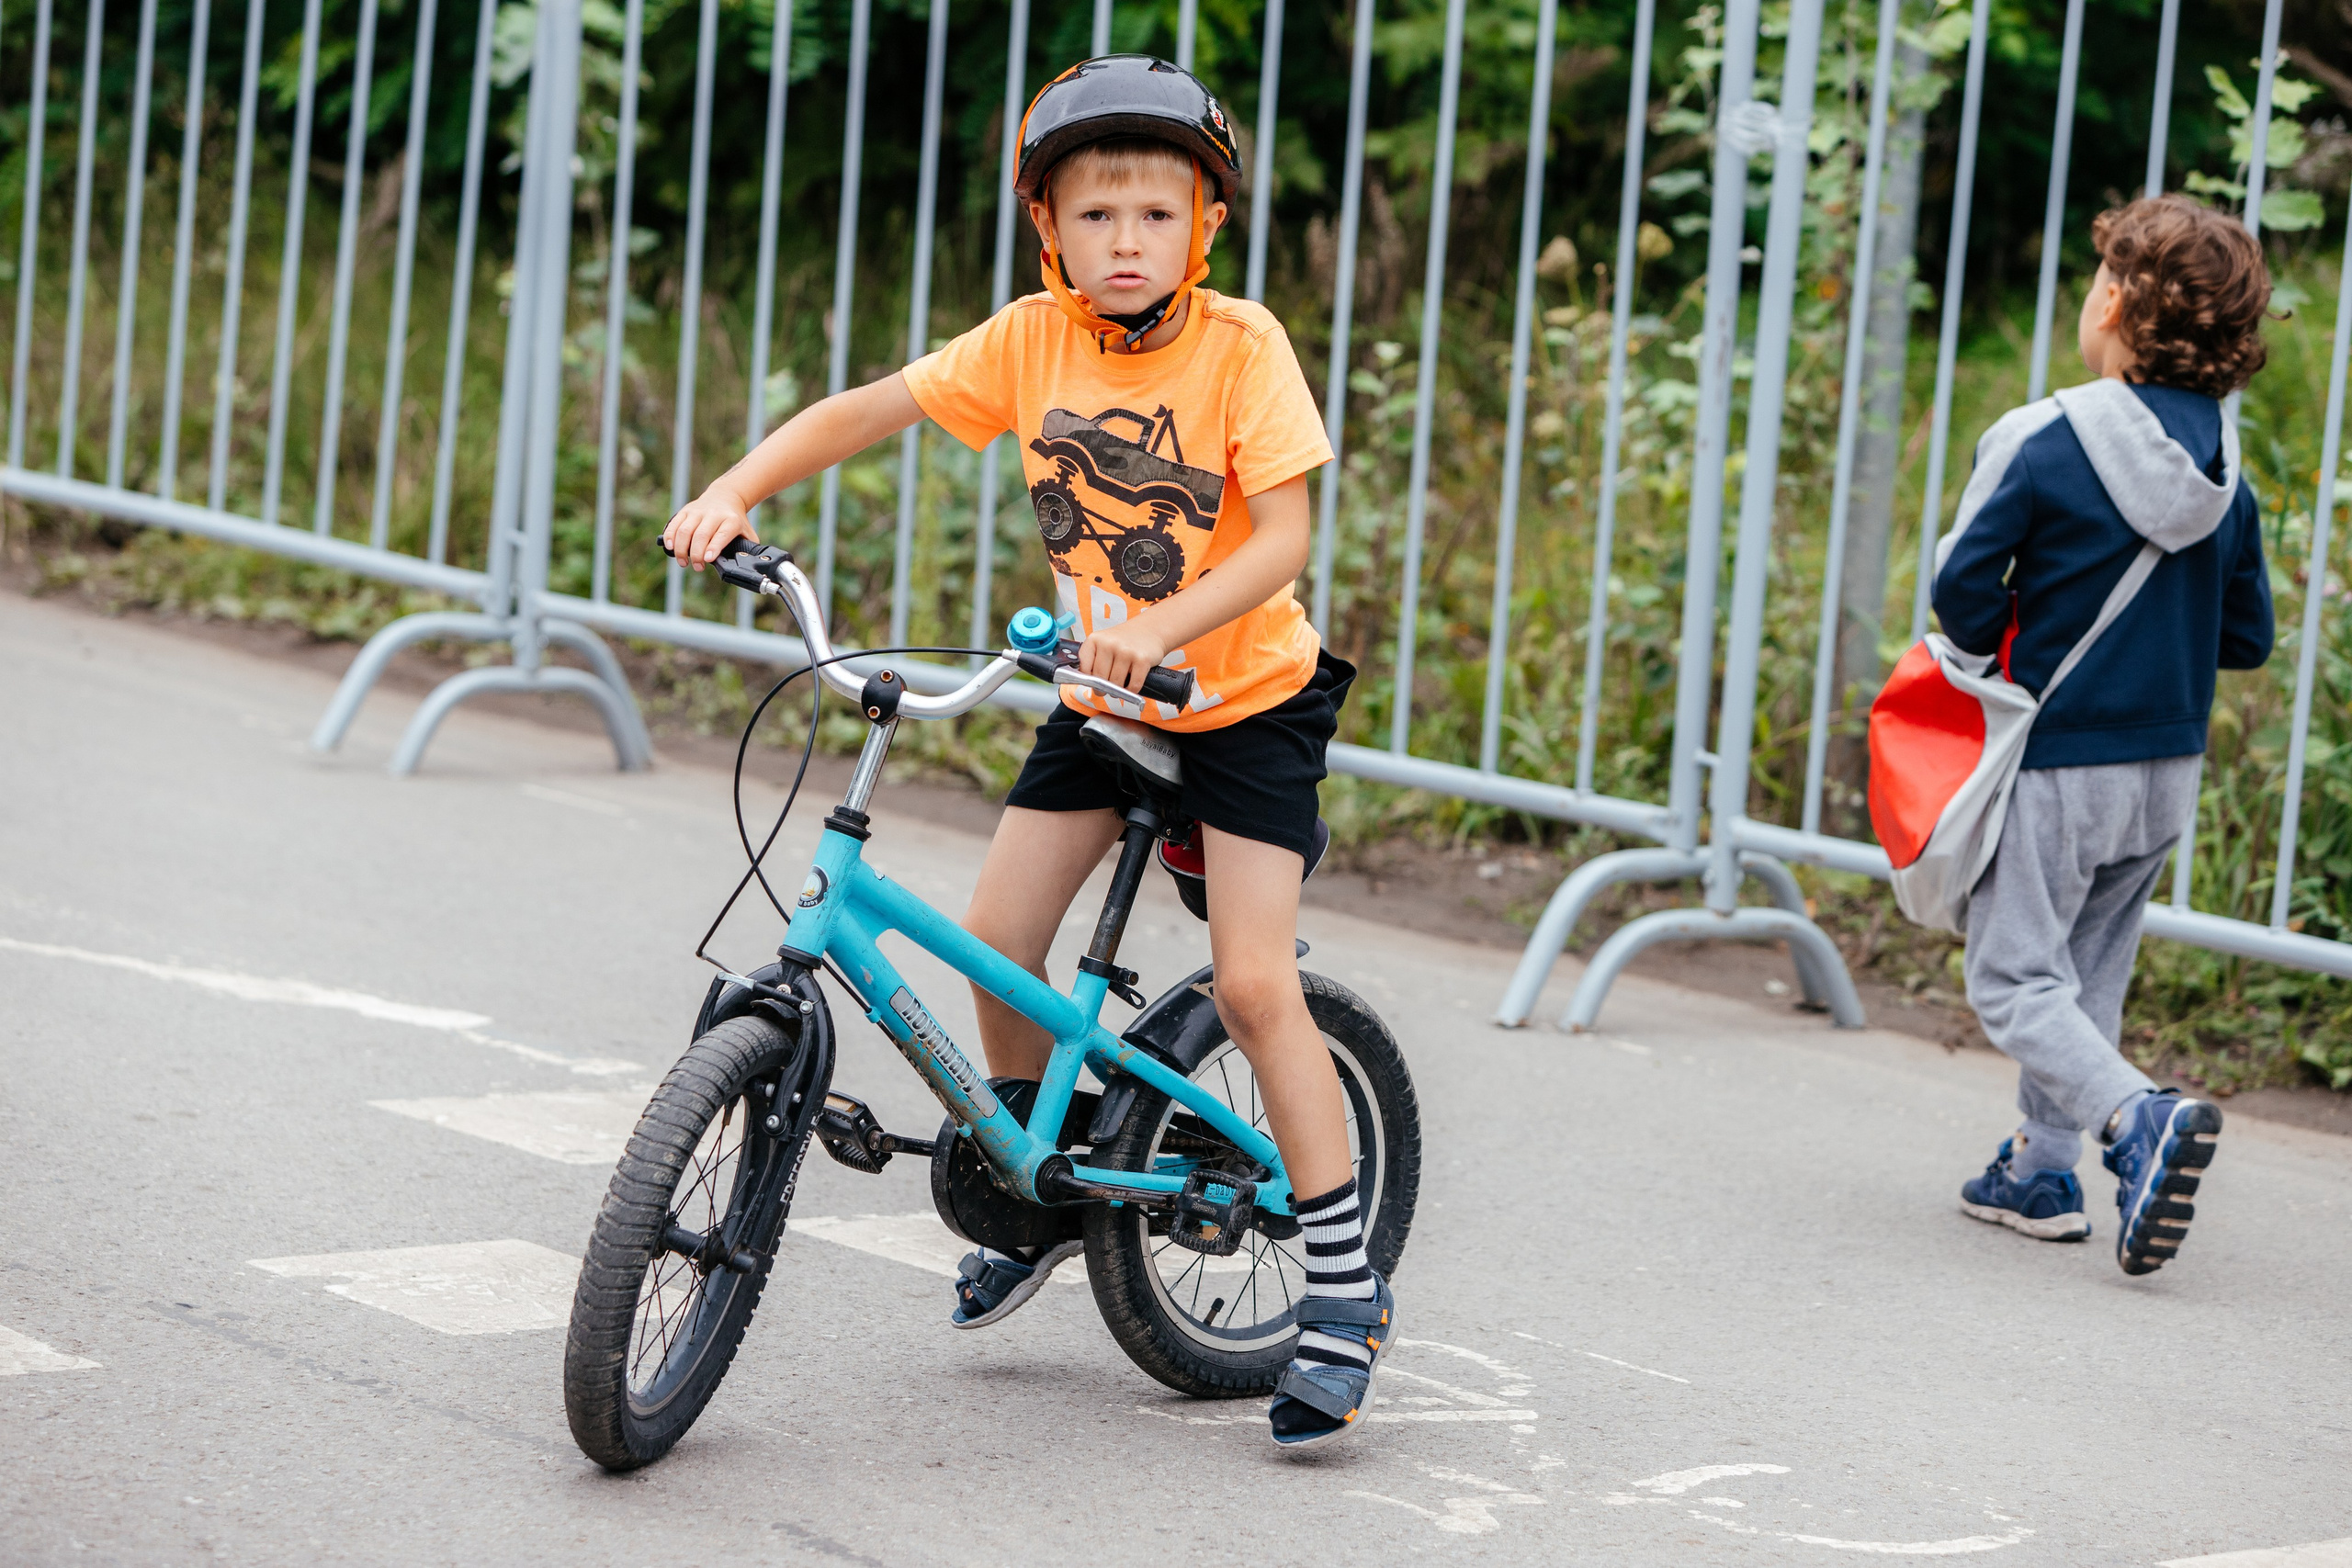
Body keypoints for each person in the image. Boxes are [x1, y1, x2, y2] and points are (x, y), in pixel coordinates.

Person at [662, 55, 1388, 1449]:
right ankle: (1038, 1172)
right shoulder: (1028, 339)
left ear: (1207, 227)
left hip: (1243, 702)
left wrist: (1160, 624)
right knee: (997, 931)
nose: (1129, 241)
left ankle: (1346, 1287)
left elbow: (1287, 536)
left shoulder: (1241, 347)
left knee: (1249, 982)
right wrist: (736, 489)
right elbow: (869, 407)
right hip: (1101, 698)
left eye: (1158, 215)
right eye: (1098, 215)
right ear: (1049, 229)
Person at [1933, 195, 2274, 1276]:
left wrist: (1987, 664)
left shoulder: (2041, 436)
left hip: (2058, 753)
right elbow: (2248, 635)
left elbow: (1960, 585)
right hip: (2165, 762)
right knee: (2085, 974)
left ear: (2116, 303)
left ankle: (2135, 1119)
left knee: (2013, 979)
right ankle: (2040, 1170)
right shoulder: (2225, 468)